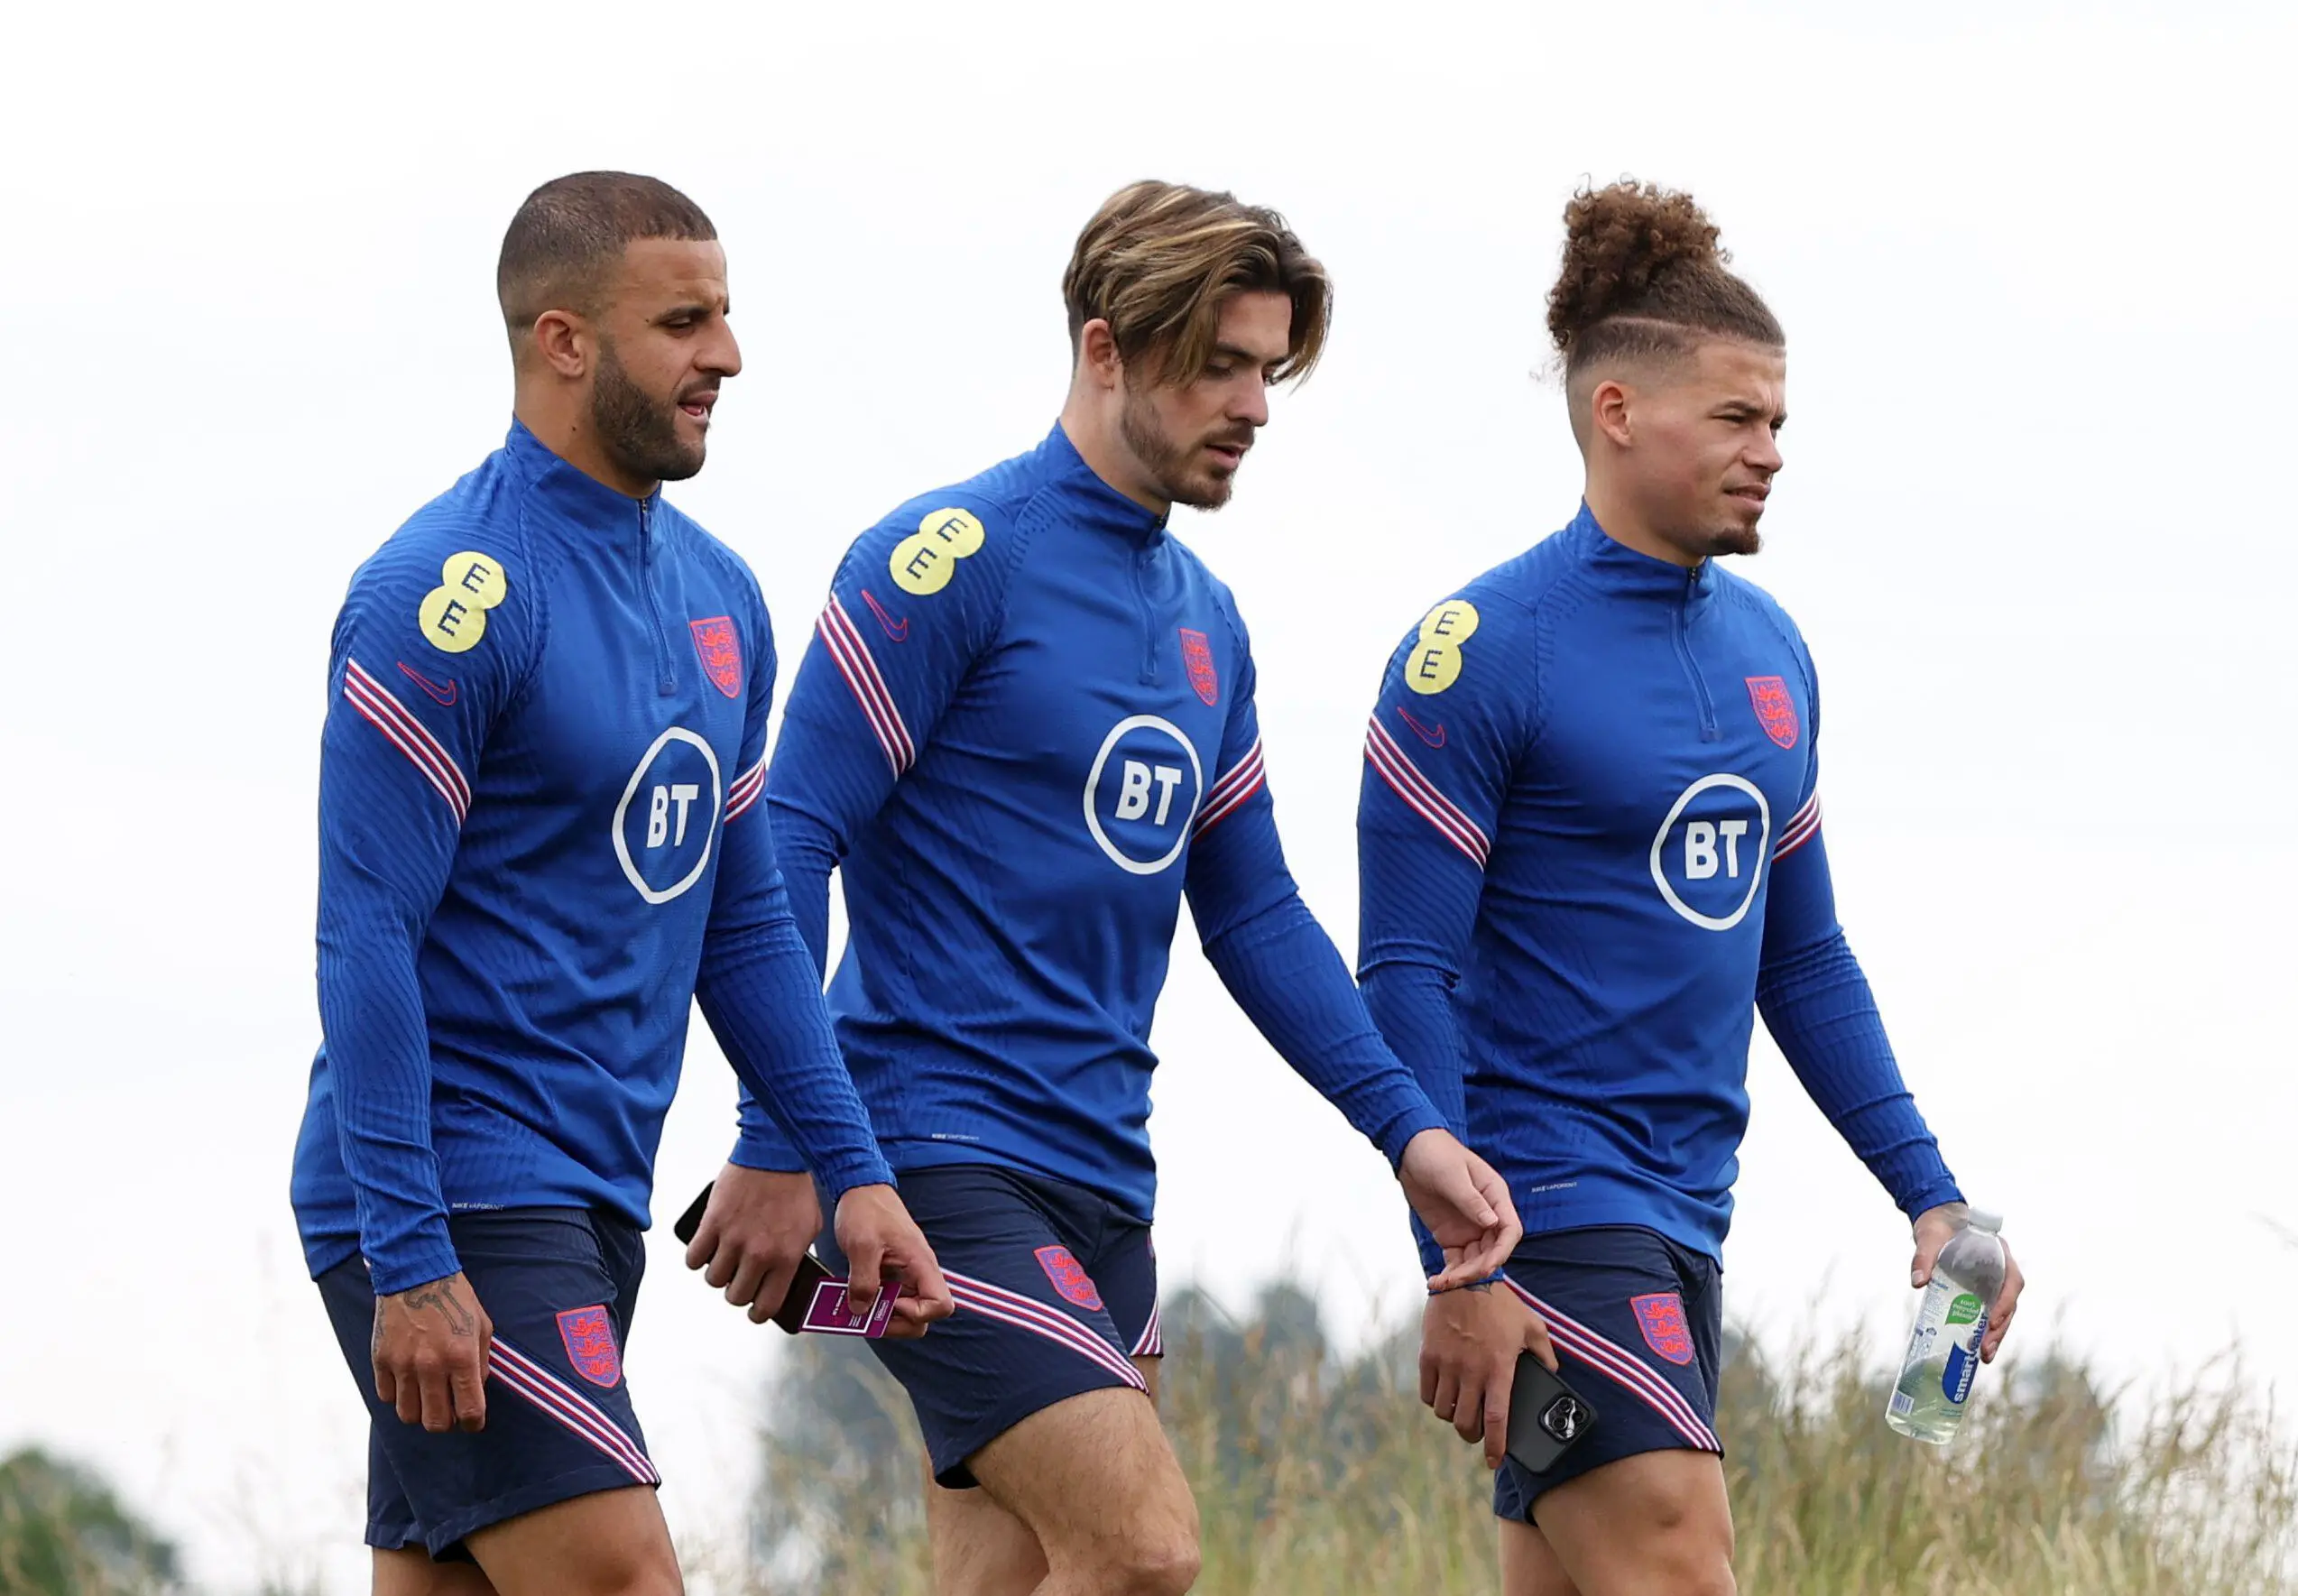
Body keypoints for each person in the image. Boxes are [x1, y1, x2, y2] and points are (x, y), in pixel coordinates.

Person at [680, 180, 1525, 1596]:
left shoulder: (1204, 624)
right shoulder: (945, 562)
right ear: (1104, 350)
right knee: (1141, 1551)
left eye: (1267, 370)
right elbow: (787, 840)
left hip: (1102, 1185)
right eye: (1219, 364)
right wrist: (784, 1138)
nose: (1253, 404)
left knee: (1007, 1575)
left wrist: (1408, 1132)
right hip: (931, 1156)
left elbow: (1253, 915)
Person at [1354, 180, 2026, 1596]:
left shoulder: (1772, 653)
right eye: (1735, 418)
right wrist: (1460, 1263)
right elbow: (1402, 974)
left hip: (1683, 1223)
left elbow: (1803, 962)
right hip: (1547, 1225)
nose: (1768, 452)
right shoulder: (1478, 651)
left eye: (1776, 420)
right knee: (1678, 1560)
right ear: (1615, 412)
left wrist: (1931, 1197)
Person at [289, 171, 952, 1596]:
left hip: (588, 1197)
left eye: (726, 316)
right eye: (684, 320)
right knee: (624, 1576)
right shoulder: (445, 590)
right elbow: (365, 941)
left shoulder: (721, 598)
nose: (725, 354)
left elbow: (747, 919)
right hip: (451, 1197)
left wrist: (855, 1171)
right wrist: (410, 1259)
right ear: (563, 339)